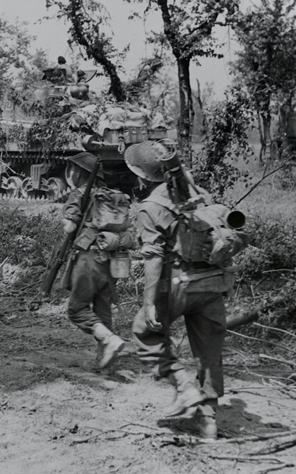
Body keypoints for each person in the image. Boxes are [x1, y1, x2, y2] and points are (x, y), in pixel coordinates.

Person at [124, 142, 246, 439]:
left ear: (143, 176)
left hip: (177, 283)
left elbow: (153, 257)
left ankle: (183, 388)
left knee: (145, 331)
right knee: (209, 351)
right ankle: (207, 419)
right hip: (213, 282)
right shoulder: (199, 194)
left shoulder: (150, 206)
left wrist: (149, 303)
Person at [61, 152, 129, 370]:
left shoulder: (79, 194)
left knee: (77, 309)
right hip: (112, 258)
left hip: (88, 259)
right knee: (103, 310)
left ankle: (110, 341)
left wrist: (68, 217)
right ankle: (106, 364)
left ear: (79, 173)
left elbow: (69, 227)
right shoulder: (111, 195)